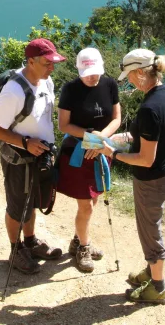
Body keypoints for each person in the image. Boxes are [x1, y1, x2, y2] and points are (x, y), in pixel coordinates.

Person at [100, 49, 165, 305]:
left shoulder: (149, 108)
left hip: (152, 178)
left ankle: (158, 287)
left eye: (131, 76)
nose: (130, 81)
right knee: (149, 227)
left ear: (141, 72)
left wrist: (112, 154)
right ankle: (151, 270)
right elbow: (150, 135)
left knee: (149, 231)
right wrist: (116, 139)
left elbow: (146, 158)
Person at [0, 38, 66, 274]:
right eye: (47, 63)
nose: (52, 68)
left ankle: (30, 242)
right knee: (18, 206)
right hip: (19, 157)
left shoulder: (45, 81)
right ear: (31, 61)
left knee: (34, 201)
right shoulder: (14, 91)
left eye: (53, 63)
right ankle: (16, 249)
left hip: (40, 154)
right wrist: (25, 143)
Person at [55, 48, 121, 273]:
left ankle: (77, 239)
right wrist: (92, 140)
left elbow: (116, 118)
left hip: (101, 149)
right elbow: (63, 125)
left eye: (96, 72)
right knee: (85, 204)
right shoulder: (70, 89)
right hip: (79, 151)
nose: (93, 77)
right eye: (87, 73)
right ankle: (84, 246)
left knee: (93, 200)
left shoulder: (110, 85)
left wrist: (100, 140)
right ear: (79, 69)